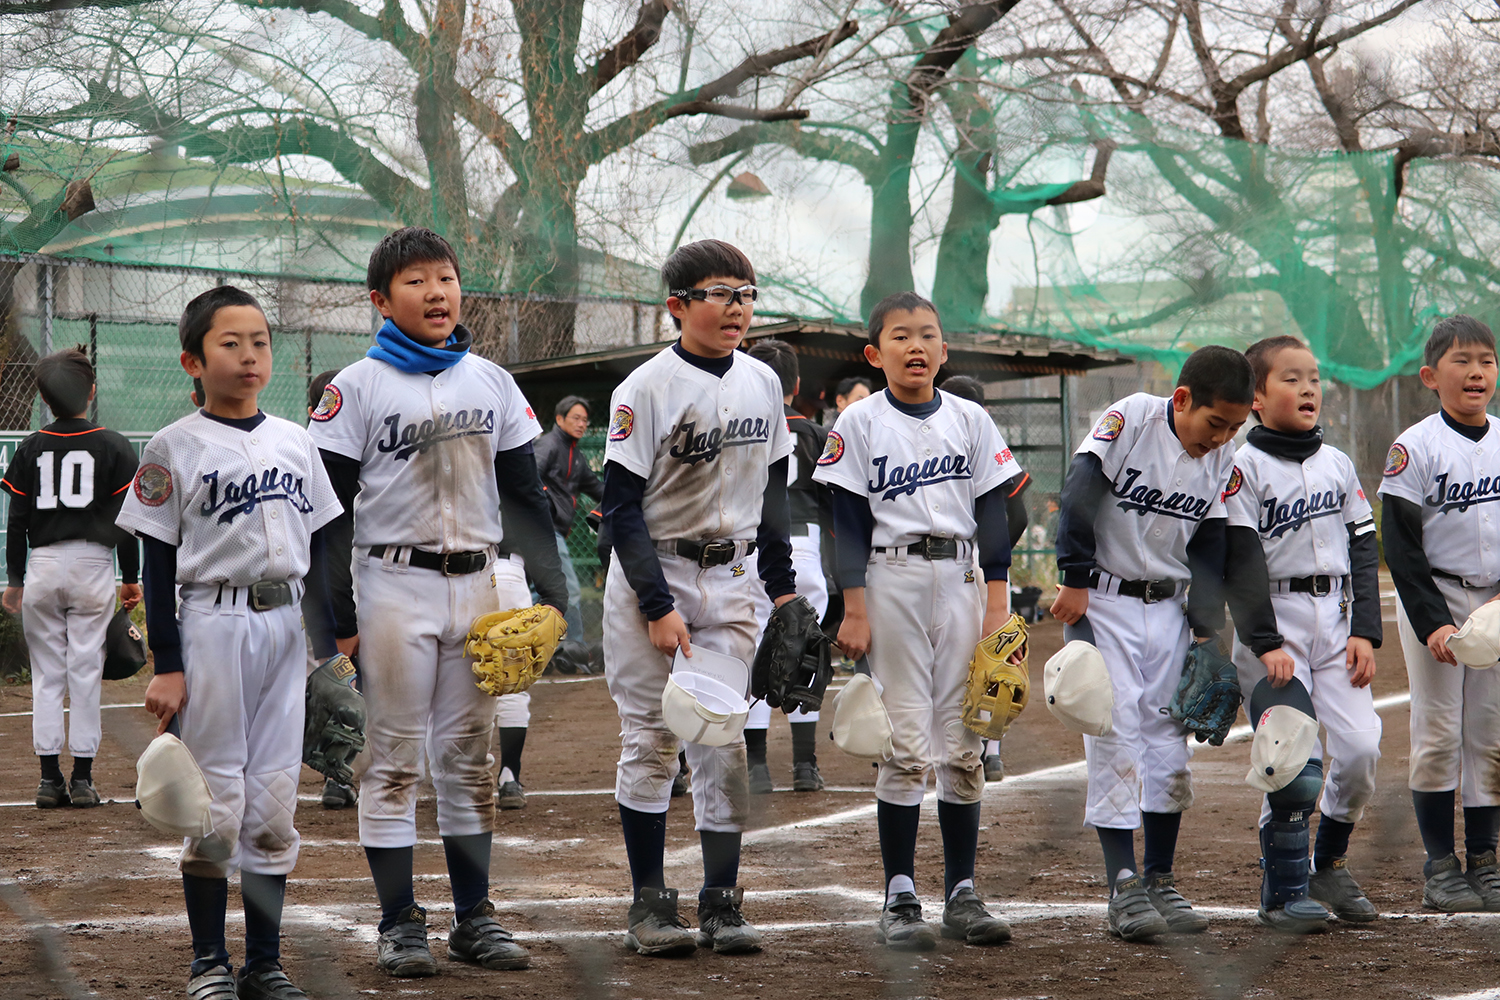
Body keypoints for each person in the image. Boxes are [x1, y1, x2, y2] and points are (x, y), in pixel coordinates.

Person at [308, 227, 567, 978]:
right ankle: (399, 921)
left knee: (468, 759)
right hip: (392, 584)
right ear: (380, 300)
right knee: (390, 760)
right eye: (416, 281)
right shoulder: (354, 388)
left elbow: (524, 493)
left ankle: (474, 916)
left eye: (445, 278)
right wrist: (337, 624)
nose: (436, 292)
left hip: (479, 586)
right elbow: (329, 514)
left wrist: (551, 592)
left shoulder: (491, 381)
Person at [118, 285, 343, 1000]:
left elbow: (323, 547)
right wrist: (169, 665)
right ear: (192, 359)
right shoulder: (172, 446)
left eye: (260, 342)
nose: (249, 356)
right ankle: (209, 962)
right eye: (229, 343)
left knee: (274, 799)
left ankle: (266, 963)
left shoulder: (296, 441)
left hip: (286, 626)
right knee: (214, 801)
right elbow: (156, 562)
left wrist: (331, 643)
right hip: (212, 625)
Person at [601, 238, 794, 957]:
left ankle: (721, 902)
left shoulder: (763, 383)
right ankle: (650, 906)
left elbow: (775, 495)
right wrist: (655, 605)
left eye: (746, 293)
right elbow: (620, 509)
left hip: (736, 580)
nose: (737, 306)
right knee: (652, 743)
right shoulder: (644, 389)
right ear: (677, 306)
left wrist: (784, 591)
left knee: (723, 742)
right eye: (720, 292)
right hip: (659, 574)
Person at [813, 291, 1019, 950]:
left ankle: (962, 890)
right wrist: (853, 604)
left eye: (928, 335)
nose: (916, 346)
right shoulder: (862, 422)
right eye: (901, 336)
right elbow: (846, 520)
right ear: (875, 354)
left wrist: (997, 597)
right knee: (905, 742)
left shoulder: (970, 419)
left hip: (961, 579)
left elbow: (993, 511)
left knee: (964, 742)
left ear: (944, 350)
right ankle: (900, 894)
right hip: (890, 575)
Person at [1048, 345, 1252, 942]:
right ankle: (1123, 884)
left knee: (1170, 738)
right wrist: (1074, 578)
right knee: (1115, 731)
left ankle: (1160, 877)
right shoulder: (1134, 418)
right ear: (1182, 399)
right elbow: (1081, 490)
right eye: (1215, 423)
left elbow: (1211, 538)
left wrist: (1207, 624)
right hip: (1105, 599)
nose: (1222, 437)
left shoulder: (1223, 457)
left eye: (1235, 427)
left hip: (1169, 608)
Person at [1222, 336, 1382, 932]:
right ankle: (1283, 893)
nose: (1309, 387)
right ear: (1256, 397)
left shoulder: (1337, 463)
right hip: (1276, 626)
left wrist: (1365, 629)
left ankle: (1329, 864)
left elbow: (1364, 547)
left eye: (1313, 377)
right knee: (1293, 759)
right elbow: (1238, 560)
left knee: (1362, 751)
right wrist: (1265, 643)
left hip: (1336, 624)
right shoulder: (1241, 466)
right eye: (1291, 379)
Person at [1379, 315, 1500, 913]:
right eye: (1462, 360)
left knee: (1490, 733)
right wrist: (1433, 623)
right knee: (1437, 732)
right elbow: (1399, 546)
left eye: (1486, 359)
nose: (1476, 371)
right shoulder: (1416, 446)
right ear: (1431, 375)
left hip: (1498, 601)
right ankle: (1439, 862)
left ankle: (1484, 857)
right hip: (1439, 597)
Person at [2, 347, 140, 808]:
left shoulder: (30, 446)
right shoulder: (114, 444)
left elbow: (17, 518)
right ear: (92, 391)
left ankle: (47, 780)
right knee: (85, 669)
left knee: (46, 675)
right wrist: (132, 575)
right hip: (93, 564)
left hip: (41, 564)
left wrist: (15, 578)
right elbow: (126, 518)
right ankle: (82, 780)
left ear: (45, 397)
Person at [743, 338, 829, 794]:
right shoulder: (814, 433)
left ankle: (756, 766)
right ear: (796, 385)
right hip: (806, 546)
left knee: (753, 649)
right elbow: (832, 503)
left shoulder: (741, 426)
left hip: (750, 546)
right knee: (804, 651)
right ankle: (804, 765)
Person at [938, 374, 1031, 783]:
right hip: (989, 564)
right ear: (985, 411)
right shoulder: (990, 443)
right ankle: (991, 753)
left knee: (946, 657)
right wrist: (993, 552)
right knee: (993, 658)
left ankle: (937, 743)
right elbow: (1021, 515)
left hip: (945, 562)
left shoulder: (936, 440)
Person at [305, 369, 360, 812]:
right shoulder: (305, 458)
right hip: (332, 580)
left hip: (375, 575)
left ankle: (347, 771)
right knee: (341, 679)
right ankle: (337, 773)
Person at [535, 394, 603, 644]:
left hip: (553, 532)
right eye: (576, 418)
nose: (582, 424)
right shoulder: (549, 445)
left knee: (539, 593)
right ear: (559, 419)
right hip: (543, 530)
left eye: (585, 420)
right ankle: (573, 647)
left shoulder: (577, 456)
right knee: (569, 590)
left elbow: (599, 490)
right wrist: (548, 508)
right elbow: (530, 478)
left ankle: (540, 645)